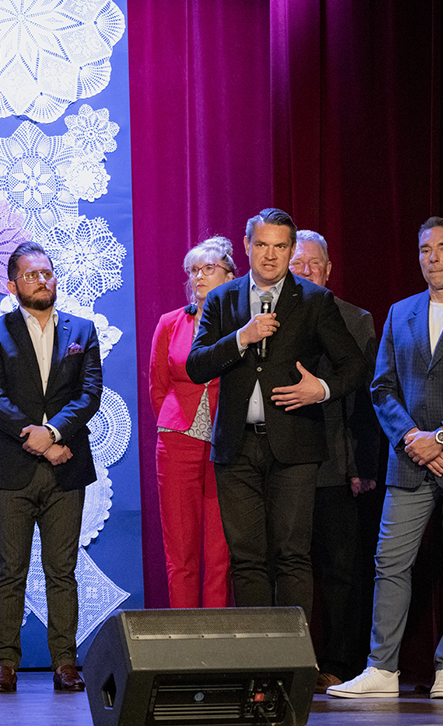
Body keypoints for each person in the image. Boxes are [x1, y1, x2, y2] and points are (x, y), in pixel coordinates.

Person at [328, 217, 443, 699]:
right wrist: (412, 438)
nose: (433, 258)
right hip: (408, 460)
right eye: (425, 249)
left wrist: (442, 438)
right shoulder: (400, 311)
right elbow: (381, 387)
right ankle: (382, 668)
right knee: (389, 561)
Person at [185, 208, 367, 621]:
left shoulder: (314, 300)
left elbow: (354, 366)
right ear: (247, 246)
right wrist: (241, 337)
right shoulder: (222, 299)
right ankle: (257, 654)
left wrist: (320, 390)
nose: (270, 255)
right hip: (236, 447)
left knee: (292, 555)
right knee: (247, 558)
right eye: (262, 245)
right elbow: (196, 366)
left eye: (280, 246)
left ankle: (293, 655)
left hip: (295, 446)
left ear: (290, 249)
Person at [0, 241, 102, 694]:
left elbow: (90, 393)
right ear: (13, 286)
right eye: (31, 275)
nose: (42, 280)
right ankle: (5, 663)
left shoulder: (82, 329)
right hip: (12, 466)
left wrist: (54, 434)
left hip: (67, 466)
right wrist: (37, 440)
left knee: (62, 571)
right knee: (11, 570)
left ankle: (65, 662)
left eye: (47, 272)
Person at [290, 231, 382, 692]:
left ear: (328, 270)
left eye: (314, 263)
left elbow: (368, 399)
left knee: (341, 570)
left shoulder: (355, 318)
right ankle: (290, 662)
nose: (306, 270)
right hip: (286, 462)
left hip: (336, 464)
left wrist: (362, 464)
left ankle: (341, 663)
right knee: (290, 567)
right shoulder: (270, 317)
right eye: (298, 263)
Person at [148, 236, 236, 608]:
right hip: (177, 440)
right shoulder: (170, 323)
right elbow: (157, 386)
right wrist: (175, 422)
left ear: (230, 276)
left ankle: (216, 634)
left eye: (208, 268)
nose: (199, 276)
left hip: (225, 442)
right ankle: (183, 630)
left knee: (220, 550)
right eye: (194, 270)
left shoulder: (242, 324)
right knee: (180, 549)